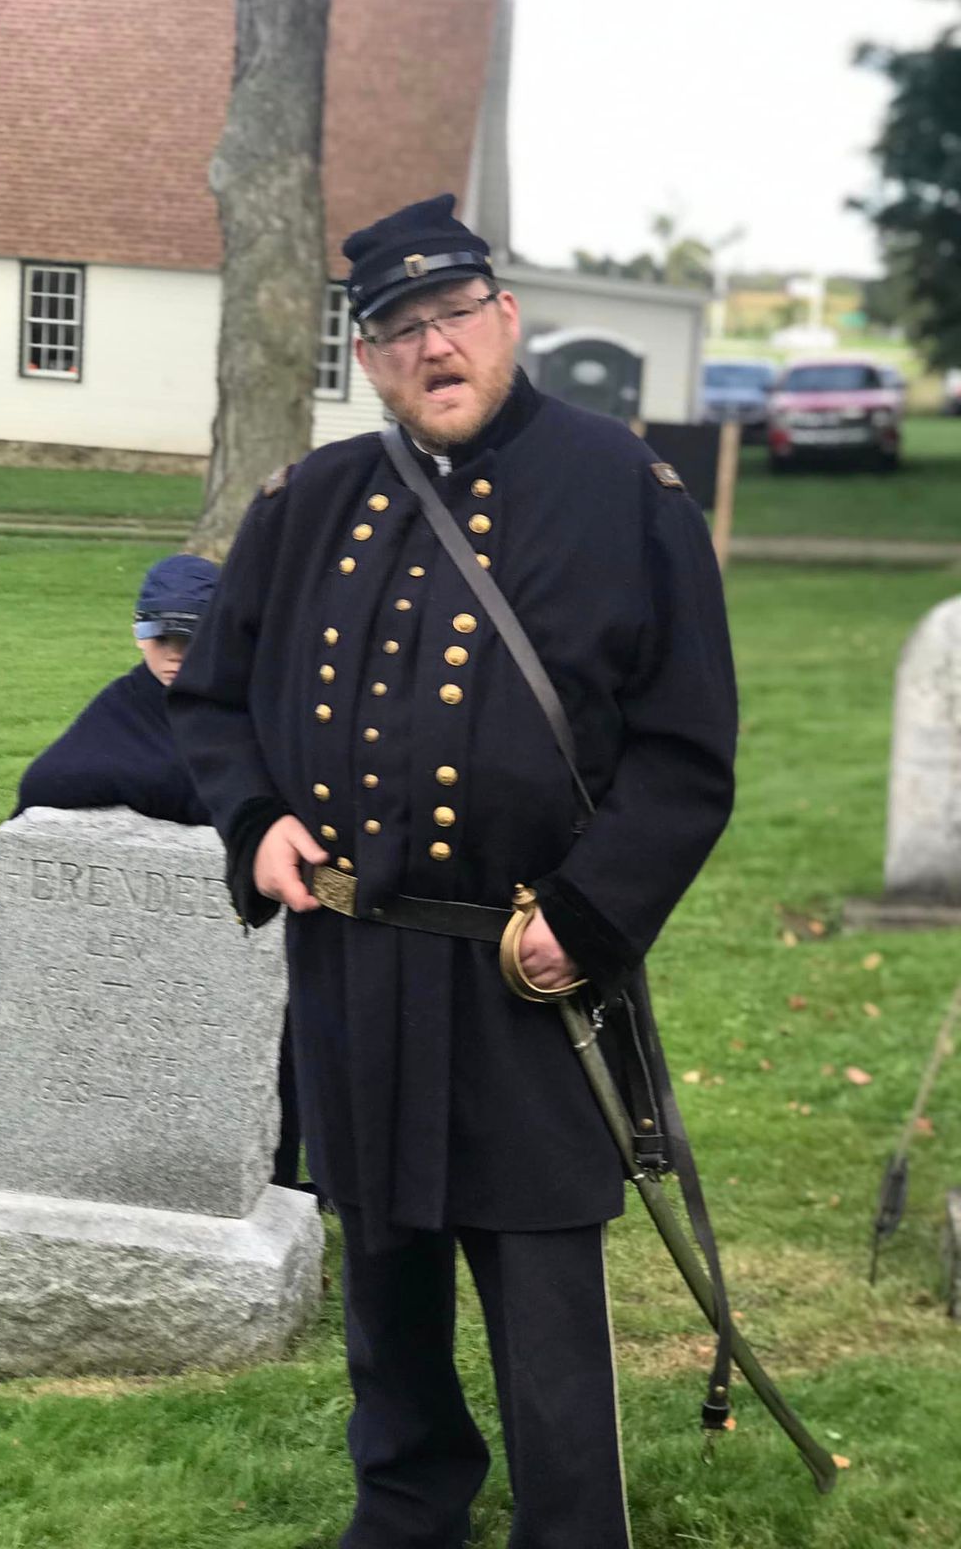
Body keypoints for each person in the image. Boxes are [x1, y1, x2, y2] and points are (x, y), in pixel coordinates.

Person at [168, 193, 738, 1548]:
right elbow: (213, 697)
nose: (434, 349)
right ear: (366, 361)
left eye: (454, 317)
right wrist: (255, 821)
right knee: (387, 1261)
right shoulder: (310, 502)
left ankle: (570, 1524)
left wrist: (593, 918)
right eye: (398, 329)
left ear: (507, 321)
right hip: (358, 958)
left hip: (525, 964)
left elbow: (687, 749)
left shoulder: (624, 493)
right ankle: (410, 1504)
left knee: (541, 1278)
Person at [0, 553, 301, 1274]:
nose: (175, 655)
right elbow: (53, 781)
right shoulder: (126, 705)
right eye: (162, 637)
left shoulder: (255, 710)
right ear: (139, 634)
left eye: (194, 639)